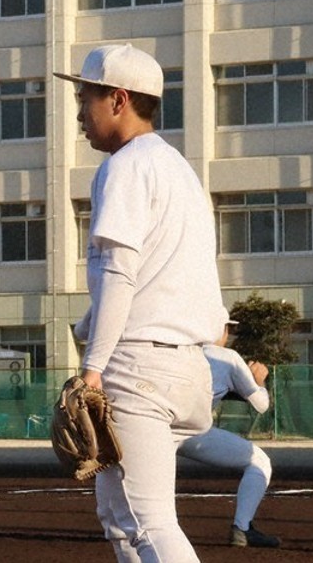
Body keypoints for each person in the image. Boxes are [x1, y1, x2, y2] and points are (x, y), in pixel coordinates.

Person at [57, 44, 228, 562]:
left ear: (119, 99)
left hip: (139, 367)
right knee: (119, 521)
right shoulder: (178, 170)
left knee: (146, 521)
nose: (80, 111)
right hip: (185, 366)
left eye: (86, 96)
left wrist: (92, 368)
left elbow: (119, 271)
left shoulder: (127, 166)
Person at [178, 320, 281, 548]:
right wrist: (258, 381)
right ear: (221, 329)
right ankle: (242, 529)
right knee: (259, 461)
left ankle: (121, 529)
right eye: (228, 328)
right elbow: (261, 404)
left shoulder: (177, 349)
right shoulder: (227, 357)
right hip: (193, 433)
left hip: (155, 429)